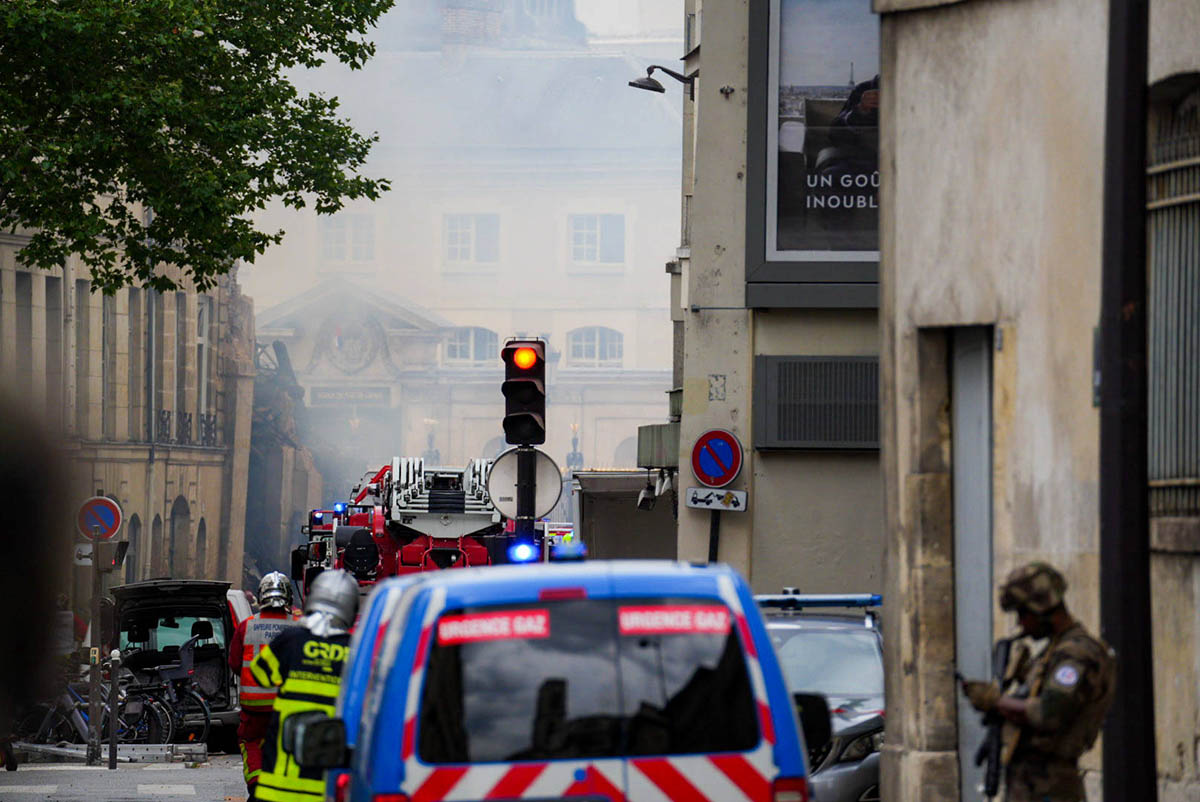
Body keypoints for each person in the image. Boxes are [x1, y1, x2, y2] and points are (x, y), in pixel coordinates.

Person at [961, 562, 1116, 802]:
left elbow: (1047, 712)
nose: (1021, 623)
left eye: (1023, 614)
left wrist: (995, 700)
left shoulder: (1077, 654)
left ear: (1043, 610)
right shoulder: (1053, 652)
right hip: (1030, 784)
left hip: (1050, 787)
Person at [249, 570, 359, 802]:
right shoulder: (355, 652)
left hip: (276, 784)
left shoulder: (292, 640)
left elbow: (260, 674)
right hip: (323, 787)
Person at [229, 572, 303, 796]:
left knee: (251, 744)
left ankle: (256, 784)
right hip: (288, 708)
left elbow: (234, 663)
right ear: (288, 598)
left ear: (261, 598)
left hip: (254, 711)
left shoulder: (247, 626)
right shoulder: (300, 626)